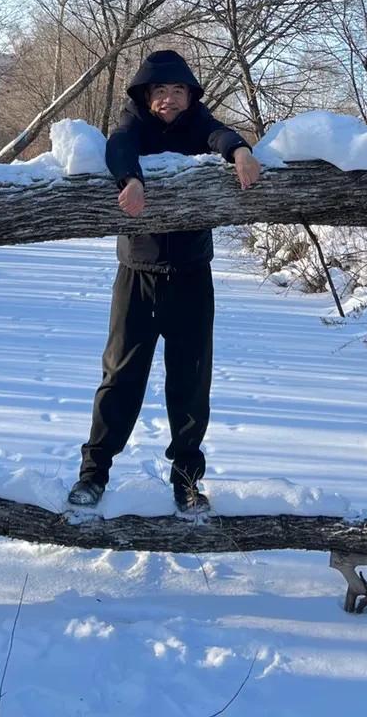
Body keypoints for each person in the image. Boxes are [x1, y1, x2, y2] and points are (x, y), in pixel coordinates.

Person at [67, 49, 261, 514]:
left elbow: (219, 134)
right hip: (137, 273)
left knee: (191, 384)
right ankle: (93, 476)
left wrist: (240, 151)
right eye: (160, 91)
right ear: (145, 95)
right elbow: (119, 144)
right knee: (120, 378)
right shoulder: (133, 121)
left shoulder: (198, 122)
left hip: (192, 275)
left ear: (189, 94)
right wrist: (129, 180)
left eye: (177, 91)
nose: (168, 100)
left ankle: (186, 483)